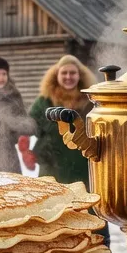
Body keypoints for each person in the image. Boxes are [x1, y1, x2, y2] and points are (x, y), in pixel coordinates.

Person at [25, 54, 95, 184]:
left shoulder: (90, 101)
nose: (68, 77)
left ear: (80, 76)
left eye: (72, 73)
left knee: (82, 201)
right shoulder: (44, 101)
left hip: (82, 167)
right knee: (51, 202)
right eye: (64, 73)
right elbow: (28, 126)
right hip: (50, 166)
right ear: (56, 75)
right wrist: (25, 151)